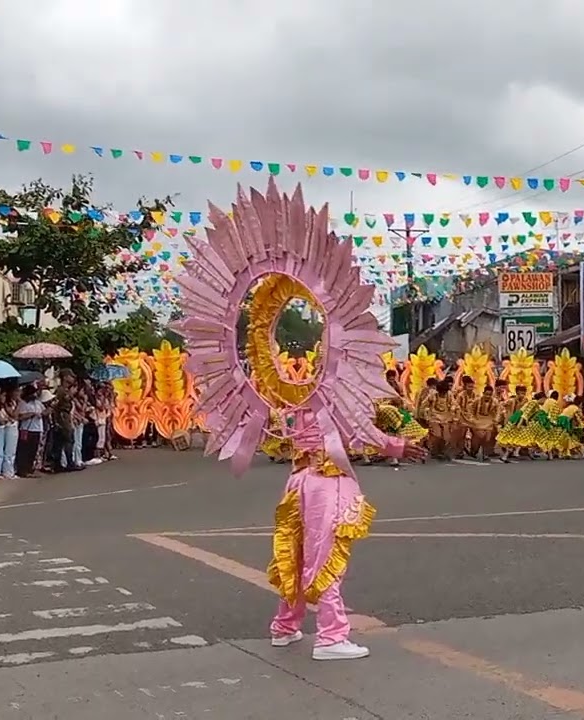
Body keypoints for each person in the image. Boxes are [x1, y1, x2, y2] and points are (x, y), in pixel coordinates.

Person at [172, 179, 426, 660]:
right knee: (326, 557)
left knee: (299, 552)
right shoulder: (325, 397)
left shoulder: (298, 400)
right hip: (326, 483)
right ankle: (331, 637)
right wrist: (397, 445)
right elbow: (361, 433)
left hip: (298, 483)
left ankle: (285, 626)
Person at [15, 385, 44, 478]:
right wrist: (31, 414)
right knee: (25, 450)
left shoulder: (38, 403)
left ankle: (30, 468)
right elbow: (20, 417)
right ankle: (22, 470)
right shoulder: (23, 403)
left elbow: (43, 412)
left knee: (33, 450)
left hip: (37, 429)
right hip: (27, 430)